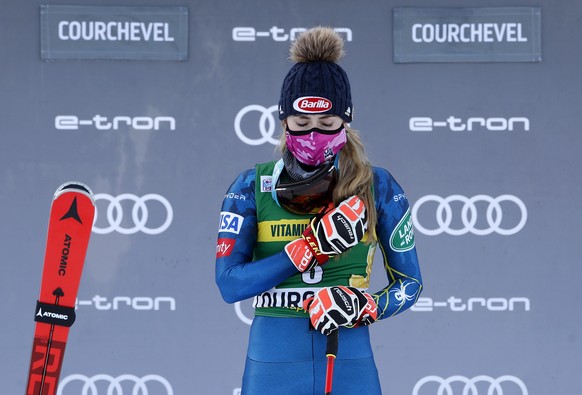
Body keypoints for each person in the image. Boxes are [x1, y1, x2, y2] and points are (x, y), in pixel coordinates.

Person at [215, 26, 422, 395]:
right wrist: (307, 251)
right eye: (302, 124)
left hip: (347, 360)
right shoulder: (251, 186)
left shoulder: (378, 186)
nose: (314, 135)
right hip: (272, 364)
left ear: (345, 122)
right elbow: (230, 284)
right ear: (284, 122)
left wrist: (366, 305)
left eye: (327, 125)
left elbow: (411, 284)